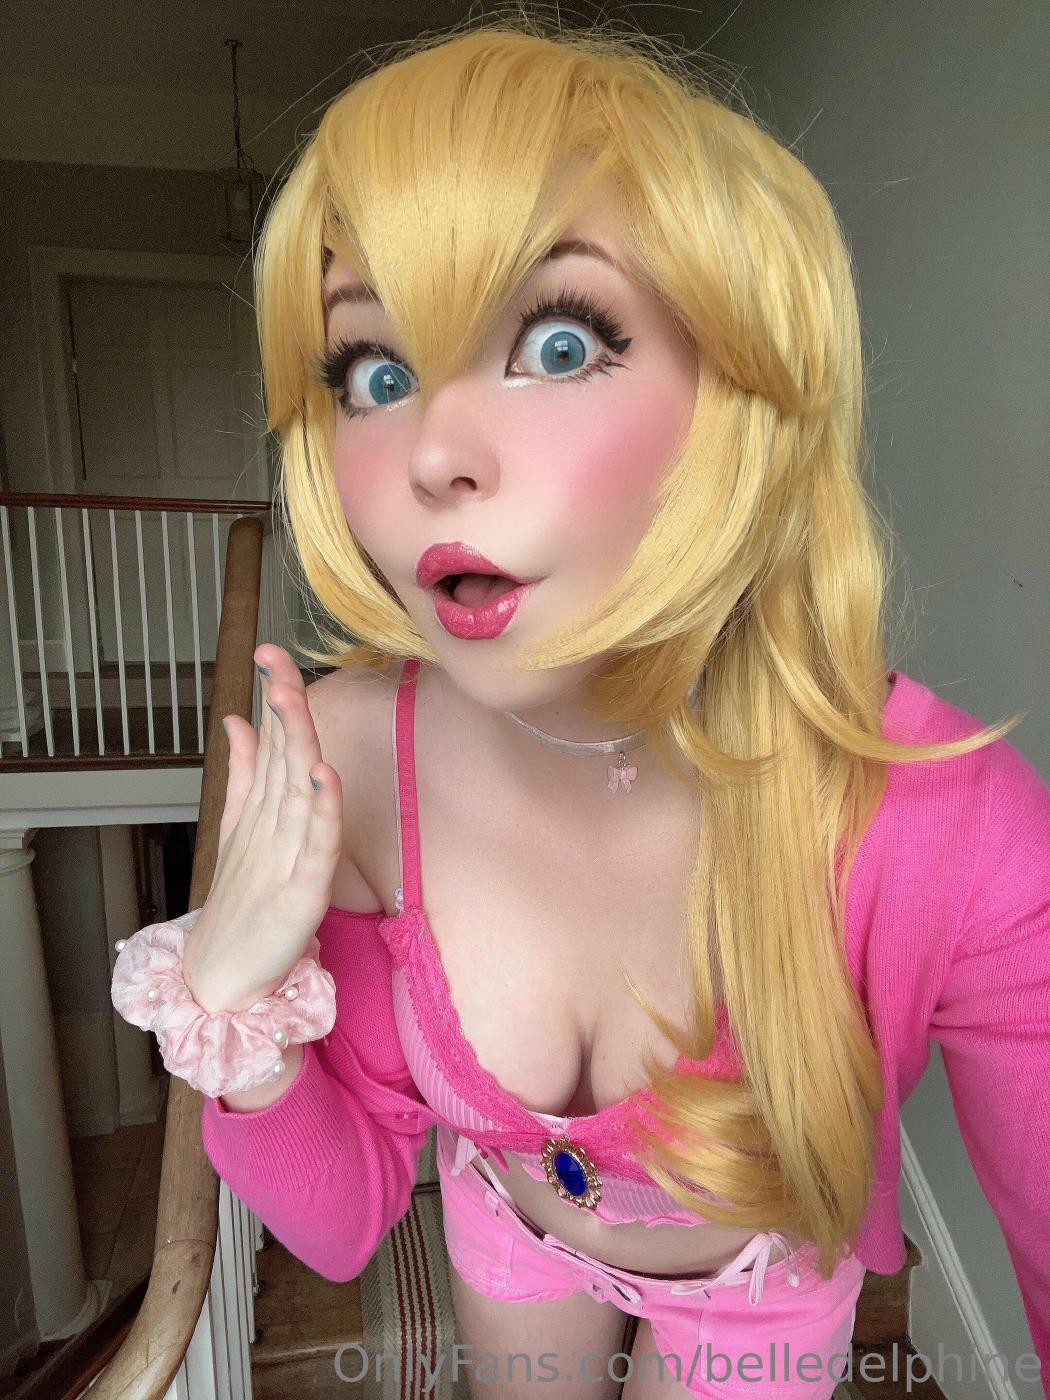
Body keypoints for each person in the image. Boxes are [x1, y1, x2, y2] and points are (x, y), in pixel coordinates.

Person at [111, 15, 1050, 1398]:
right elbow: (344, 1214)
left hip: (759, 1285)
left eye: (557, 343)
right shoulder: (351, 757)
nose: (430, 452)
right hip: (513, 1229)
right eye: (374, 373)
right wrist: (234, 1004)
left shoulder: (947, 822)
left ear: (739, 388)